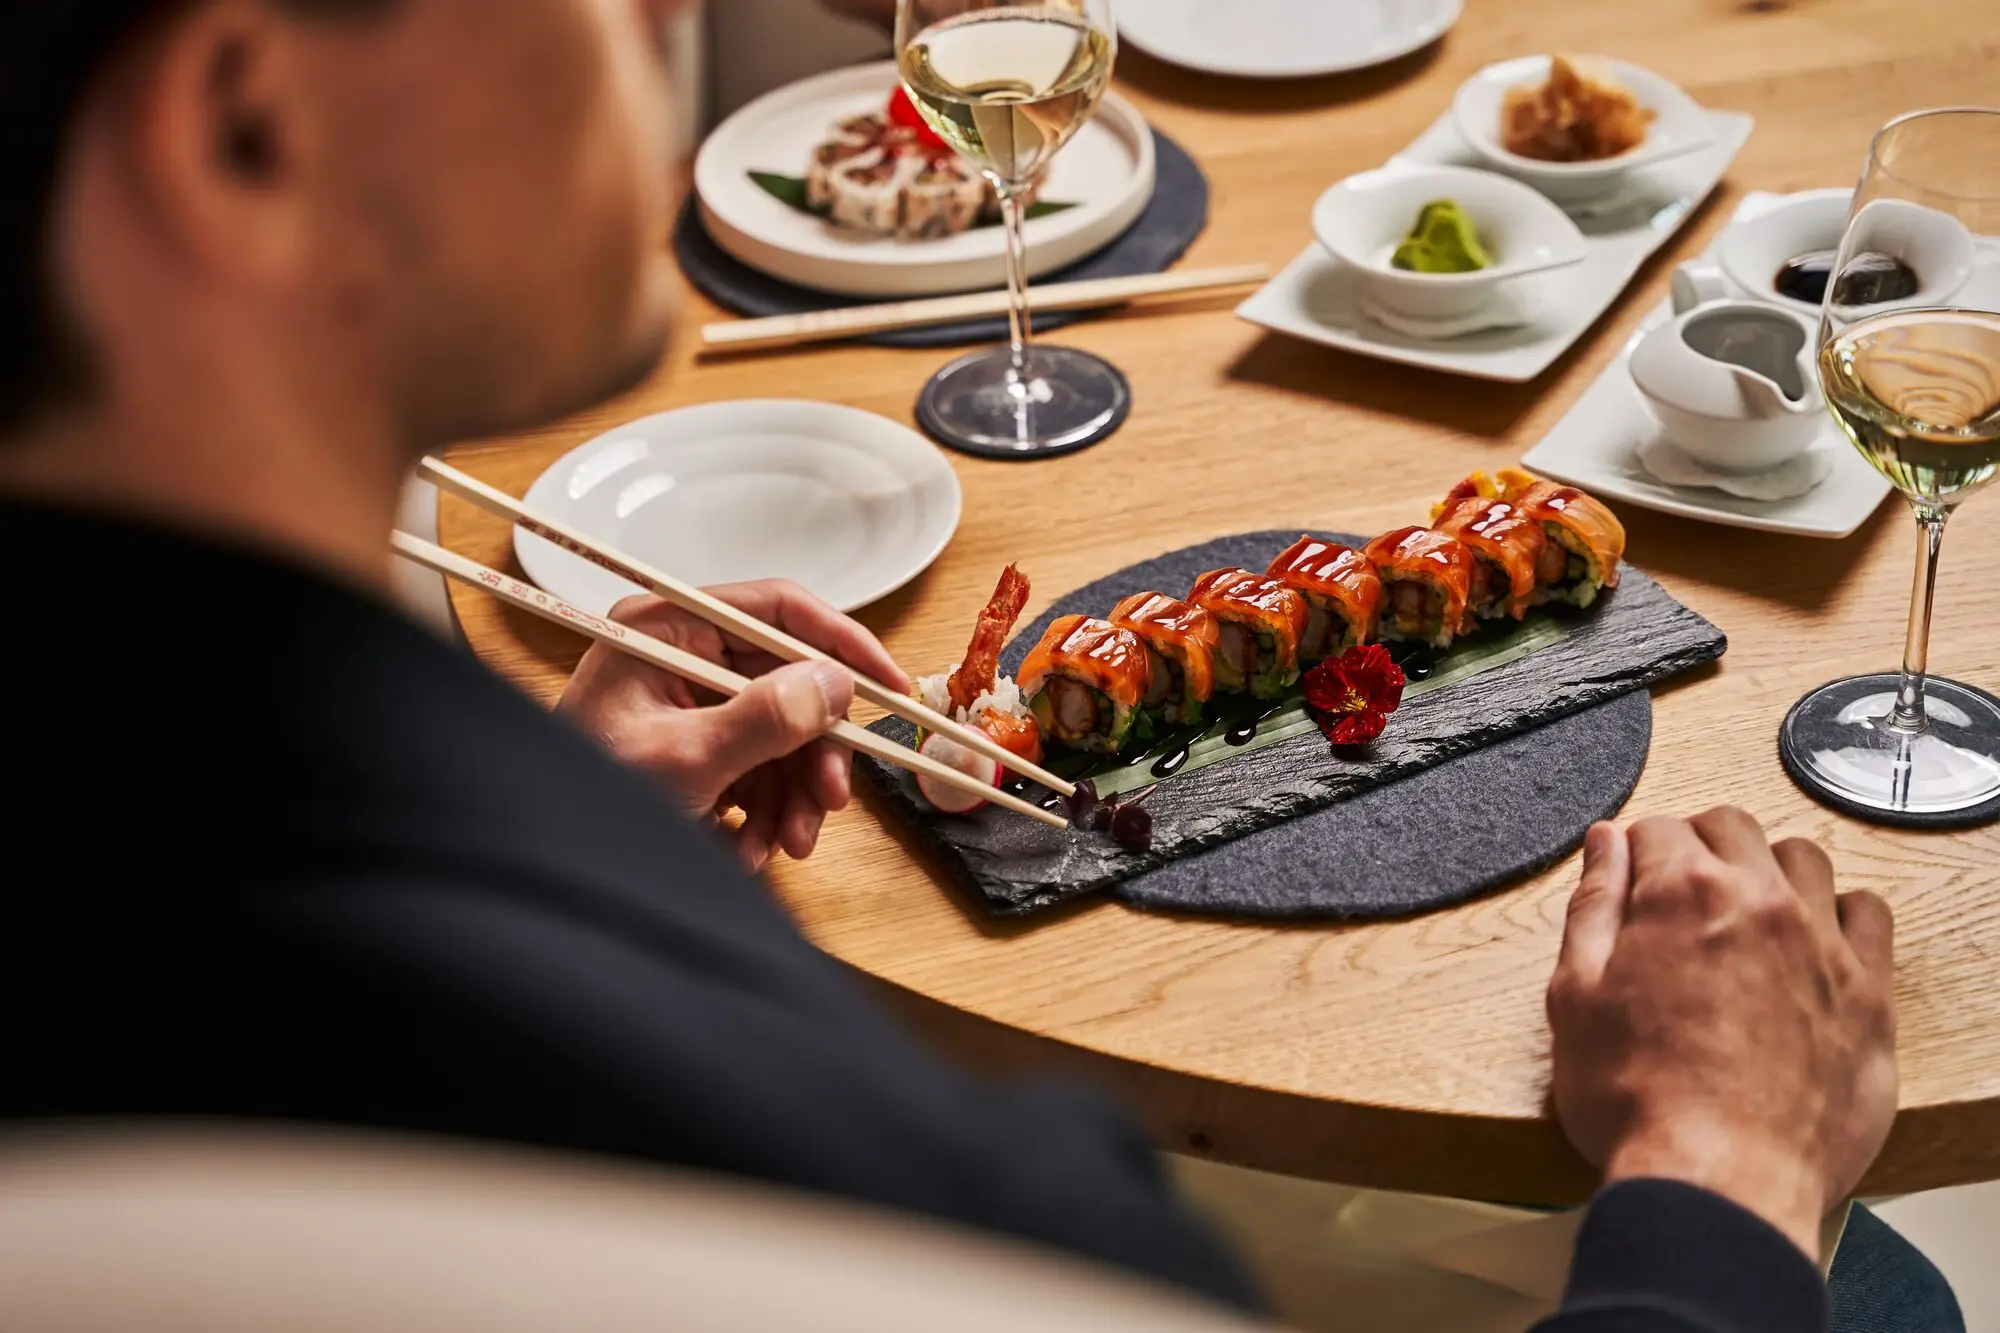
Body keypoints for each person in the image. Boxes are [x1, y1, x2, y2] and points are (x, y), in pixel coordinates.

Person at [0, 2, 1935, 1329]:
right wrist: (1722, 1171)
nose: (668, 29)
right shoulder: (911, 1214)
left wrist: (583, 847)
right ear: (245, 120)